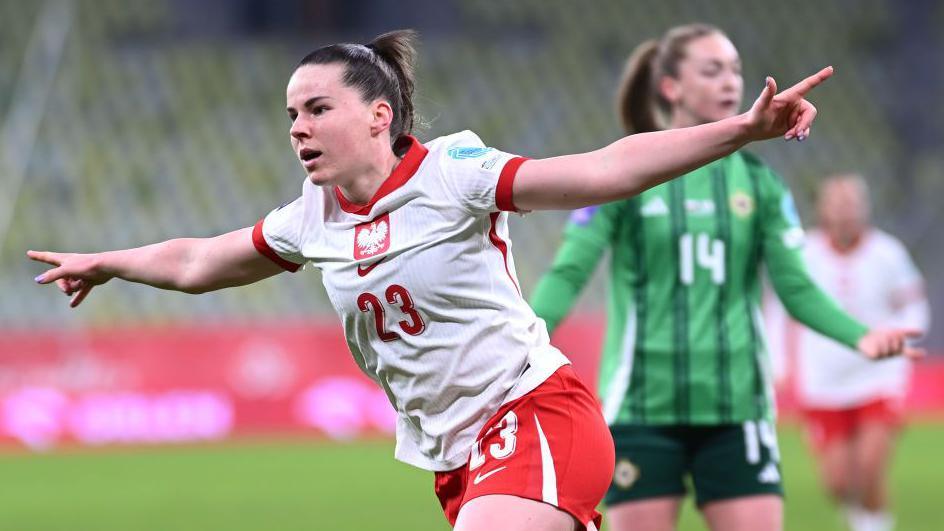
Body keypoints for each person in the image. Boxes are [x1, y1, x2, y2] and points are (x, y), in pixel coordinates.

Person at [26, 29, 905, 531]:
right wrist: (111, 263)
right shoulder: (311, 219)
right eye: (290, 112)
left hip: (536, 418)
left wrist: (741, 130)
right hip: (457, 458)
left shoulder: (454, 173)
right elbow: (198, 260)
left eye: (317, 108)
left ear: (379, 116)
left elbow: (606, 167)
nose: (297, 125)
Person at [529, 24, 923, 531]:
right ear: (671, 87)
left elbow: (796, 289)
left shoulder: (760, 184)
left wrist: (861, 336)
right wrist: (526, 345)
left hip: (738, 409)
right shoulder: (626, 174)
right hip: (643, 408)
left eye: (735, 69)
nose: (730, 81)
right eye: (712, 70)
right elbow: (568, 273)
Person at [771, 175, 929, 531]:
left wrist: (900, 341)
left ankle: (874, 524)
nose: (845, 212)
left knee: (870, 467)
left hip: (877, 377)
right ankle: (863, 518)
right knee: (839, 482)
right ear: (823, 210)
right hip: (823, 380)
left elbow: (914, 305)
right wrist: (778, 361)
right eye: (837, 204)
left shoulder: (888, 253)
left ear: (865, 208)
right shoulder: (803, 253)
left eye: (852, 204)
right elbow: (780, 308)